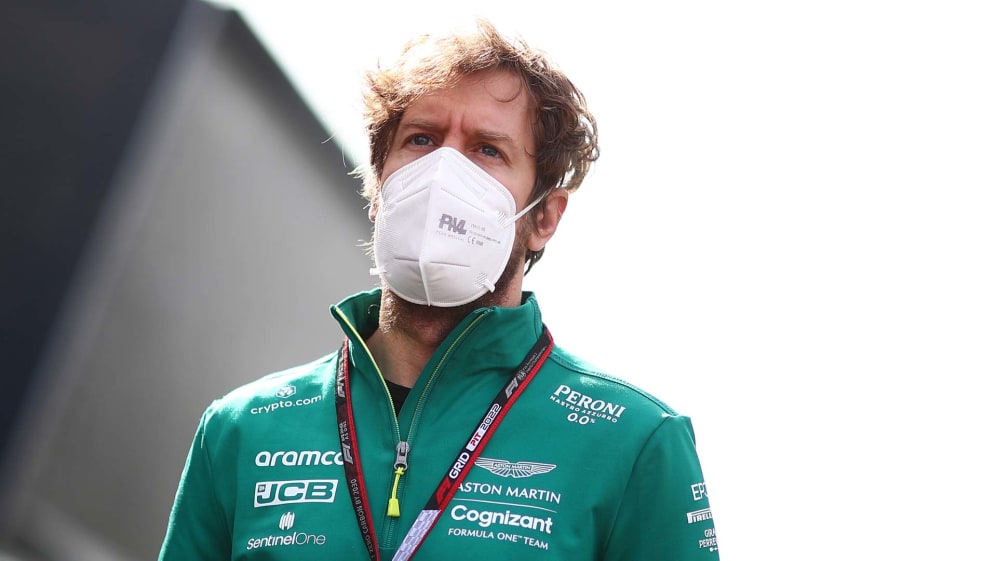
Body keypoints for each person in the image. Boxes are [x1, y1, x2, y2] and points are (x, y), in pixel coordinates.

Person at [159, 18, 720, 561]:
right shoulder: (242, 430)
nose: (443, 173)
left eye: (487, 150)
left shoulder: (636, 443)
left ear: (545, 216)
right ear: (378, 187)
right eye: (422, 139)